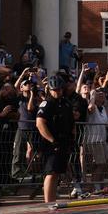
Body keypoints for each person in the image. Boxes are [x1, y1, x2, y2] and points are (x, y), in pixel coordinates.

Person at [35, 73, 75, 205]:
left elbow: (71, 123)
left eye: (59, 89)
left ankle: (52, 201)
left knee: (57, 173)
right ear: (50, 90)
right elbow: (40, 123)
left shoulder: (66, 103)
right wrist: (52, 140)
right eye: (54, 90)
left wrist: (72, 139)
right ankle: (48, 203)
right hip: (51, 143)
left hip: (64, 141)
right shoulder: (47, 104)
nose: (57, 92)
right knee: (51, 173)